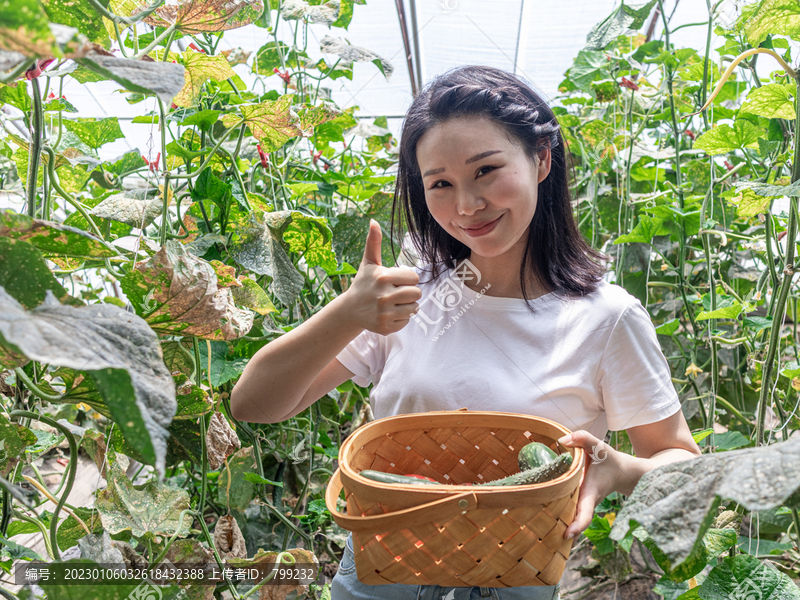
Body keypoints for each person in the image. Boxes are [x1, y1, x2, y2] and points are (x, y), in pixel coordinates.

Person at [230, 65, 702, 600]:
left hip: (526, 578)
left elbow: (680, 460)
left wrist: (617, 469)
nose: (466, 206)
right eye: (440, 184)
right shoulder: (410, 294)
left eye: (486, 171)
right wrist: (346, 313)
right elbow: (254, 403)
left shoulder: (605, 316)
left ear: (541, 159)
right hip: (381, 576)